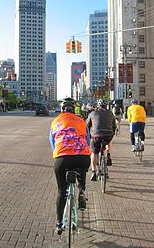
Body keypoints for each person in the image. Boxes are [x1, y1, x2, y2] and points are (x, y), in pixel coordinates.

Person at [49, 97, 91, 234]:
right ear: (74, 110)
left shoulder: (55, 121)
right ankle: (82, 192)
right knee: (82, 169)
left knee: (62, 191)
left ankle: (60, 223)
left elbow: (53, 143)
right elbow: (88, 141)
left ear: (62, 110)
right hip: (82, 157)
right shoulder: (81, 121)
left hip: (62, 158)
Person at [86, 99, 116, 181]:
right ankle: (108, 154)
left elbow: (87, 126)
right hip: (108, 135)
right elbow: (114, 126)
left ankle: (93, 172)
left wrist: (88, 135)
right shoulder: (110, 113)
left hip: (96, 136)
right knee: (109, 141)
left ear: (98, 106)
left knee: (94, 153)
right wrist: (112, 133)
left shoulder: (92, 113)